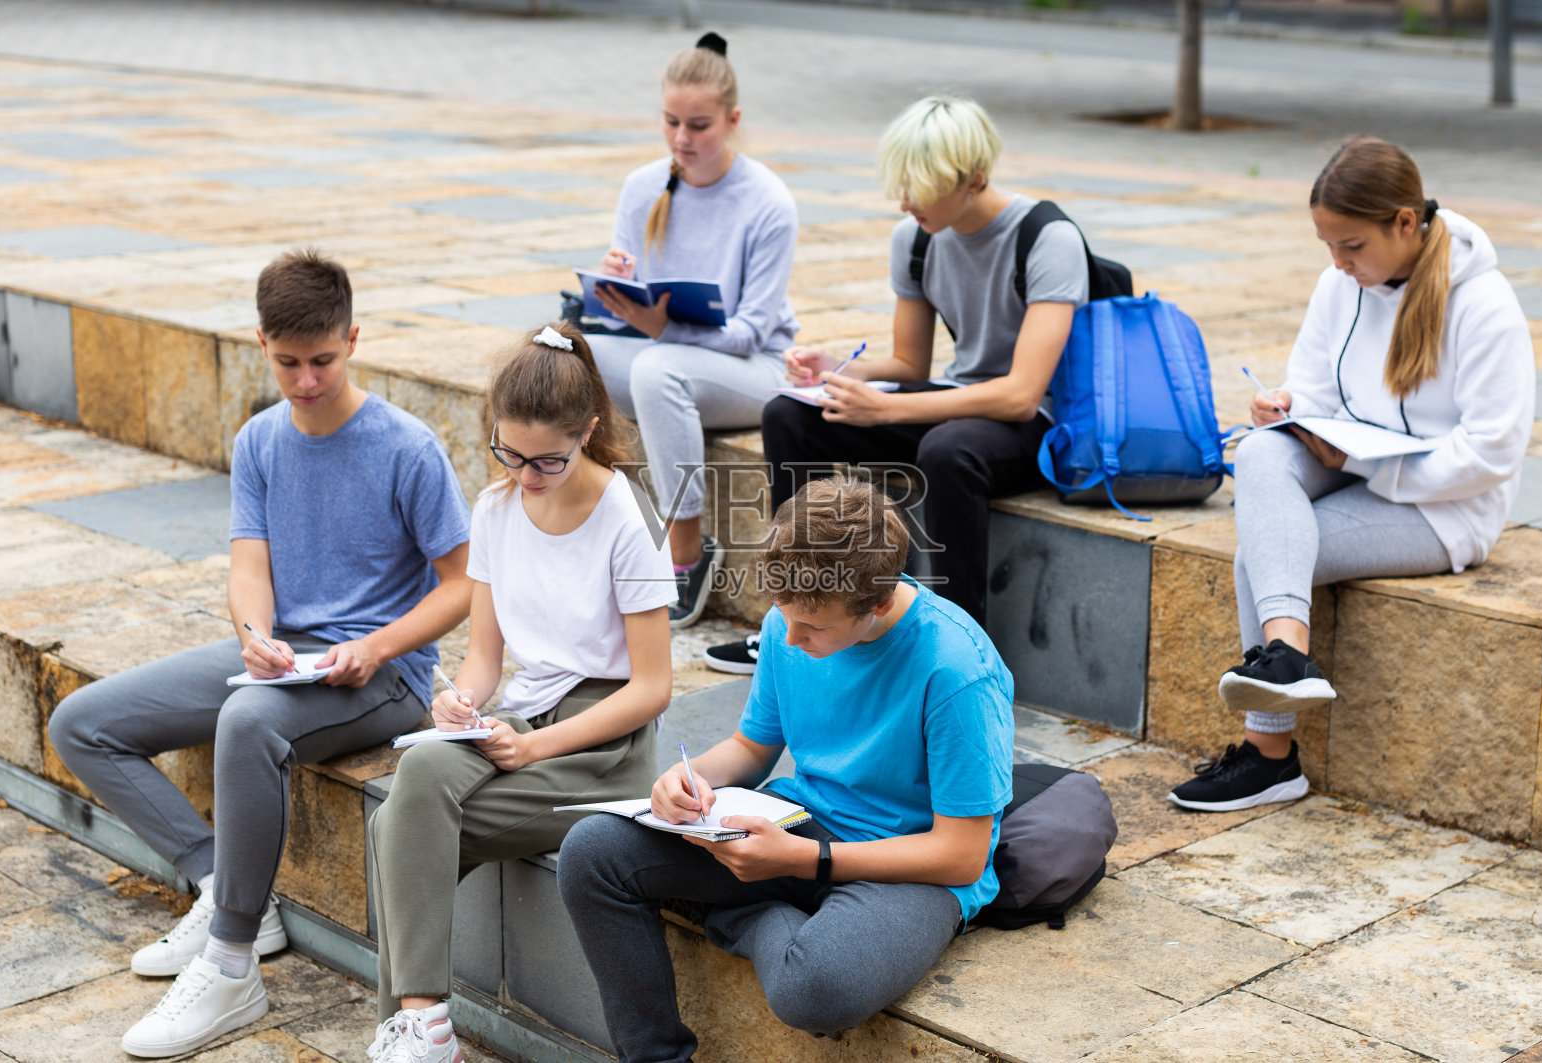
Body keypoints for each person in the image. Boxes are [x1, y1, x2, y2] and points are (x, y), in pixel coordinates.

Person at [48, 250, 474, 1057]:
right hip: (288, 662)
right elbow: (250, 567)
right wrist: (254, 634)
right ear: (261, 344)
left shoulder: (408, 447)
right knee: (82, 722)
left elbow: (463, 586)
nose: (306, 380)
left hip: (387, 674)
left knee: (247, 721)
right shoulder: (259, 441)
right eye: (288, 362)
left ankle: (231, 960)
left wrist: (376, 645)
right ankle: (222, 882)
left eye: (323, 361)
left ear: (353, 340)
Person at [557, 476, 1014, 1063]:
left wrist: (803, 861)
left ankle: (745, 912)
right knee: (591, 852)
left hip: (908, 866)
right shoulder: (791, 620)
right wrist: (689, 779)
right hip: (800, 822)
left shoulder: (957, 670)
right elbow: (752, 748)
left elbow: (961, 854)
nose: (789, 638)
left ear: (878, 603)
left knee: (815, 990)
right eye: (782, 614)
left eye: (814, 627)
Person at [1168, 136, 1535, 812]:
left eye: (1352, 245)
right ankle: (1287, 658)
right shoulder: (1340, 284)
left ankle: (1270, 755)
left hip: (1446, 507)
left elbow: (1493, 453)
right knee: (1261, 452)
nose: (1338, 262)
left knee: (1261, 555)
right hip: (1357, 463)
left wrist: (1364, 462)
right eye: (1328, 245)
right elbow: (1317, 388)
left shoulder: (1484, 305)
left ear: (1405, 222)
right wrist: (1287, 407)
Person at [363, 322, 677, 1063]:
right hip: (521, 720)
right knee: (420, 777)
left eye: (547, 460)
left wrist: (533, 747)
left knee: (397, 826)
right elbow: (482, 657)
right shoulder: (496, 508)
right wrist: (462, 703)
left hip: (604, 745)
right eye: (510, 452)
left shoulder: (630, 517)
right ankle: (423, 1025)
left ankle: (417, 1028)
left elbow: (653, 688)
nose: (527, 474)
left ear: (589, 430)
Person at [703, 95, 1087, 675]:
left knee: (948, 450)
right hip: (954, 401)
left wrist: (885, 411)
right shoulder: (917, 237)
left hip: (1033, 424)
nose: (905, 201)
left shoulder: (1047, 238)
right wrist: (840, 368)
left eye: (921, 188)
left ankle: (957, 654)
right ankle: (798, 616)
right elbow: (910, 362)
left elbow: (1021, 394)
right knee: (790, 414)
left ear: (974, 178)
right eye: (902, 184)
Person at [586, 31, 800, 630]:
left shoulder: (768, 202)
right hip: (667, 355)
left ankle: (686, 550)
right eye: (671, 122)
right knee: (562, 354)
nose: (682, 139)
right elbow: (628, 320)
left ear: (733, 120)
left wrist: (663, 328)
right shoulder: (642, 186)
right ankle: (585, 527)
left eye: (699, 125)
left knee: (659, 371)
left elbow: (751, 333)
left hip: (754, 369)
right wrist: (613, 292)